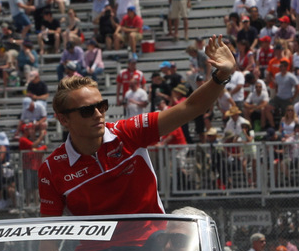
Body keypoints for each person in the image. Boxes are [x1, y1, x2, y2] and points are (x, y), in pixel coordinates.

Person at [38, 35, 237, 216]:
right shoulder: (51, 169)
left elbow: (191, 107)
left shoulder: (128, 132)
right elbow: (48, 241)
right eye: (87, 111)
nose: (99, 115)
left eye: (102, 106)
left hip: (152, 246)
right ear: (63, 120)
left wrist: (221, 76)